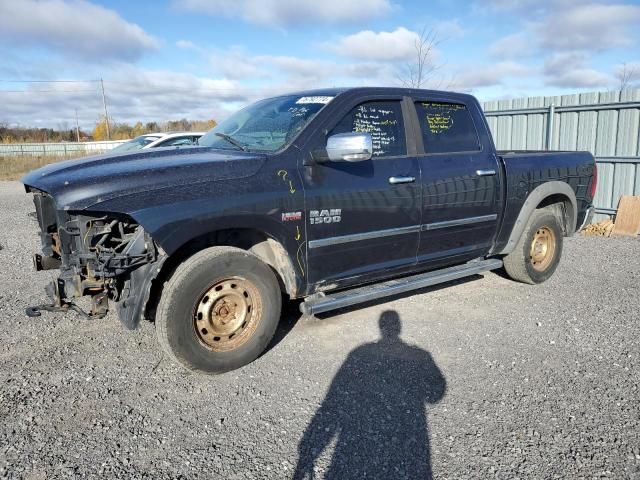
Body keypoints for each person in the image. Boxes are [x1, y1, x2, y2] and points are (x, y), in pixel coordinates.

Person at [294, 310, 447, 479]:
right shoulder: (421, 355)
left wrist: (307, 453)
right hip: (411, 444)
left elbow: (331, 400)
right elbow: (435, 395)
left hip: (353, 445)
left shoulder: (358, 353)